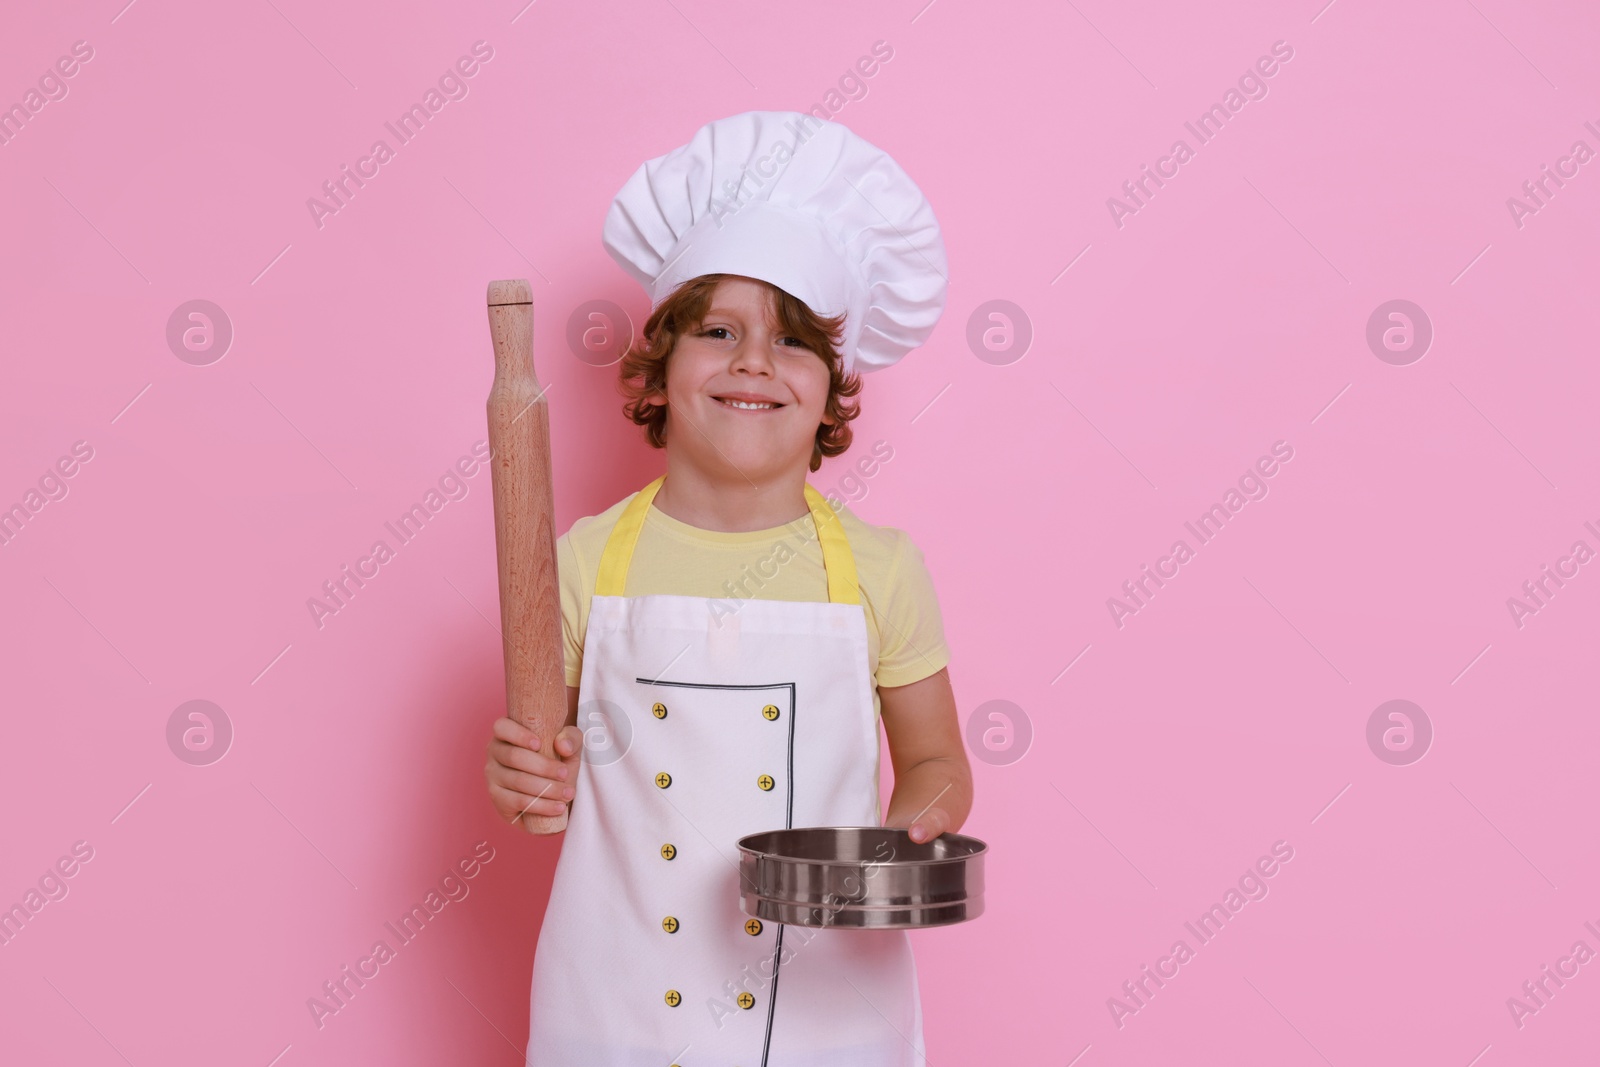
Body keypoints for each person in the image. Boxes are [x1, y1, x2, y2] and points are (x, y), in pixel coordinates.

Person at [483, 109, 972, 1067]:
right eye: (718, 329)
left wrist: (908, 830)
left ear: (833, 392)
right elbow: (545, 775)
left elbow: (940, 762)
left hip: (824, 1004)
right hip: (616, 1002)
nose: (754, 360)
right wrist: (522, 778)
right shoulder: (582, 563)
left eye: (793, 340)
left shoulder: (879, 569)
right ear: (659, 370)